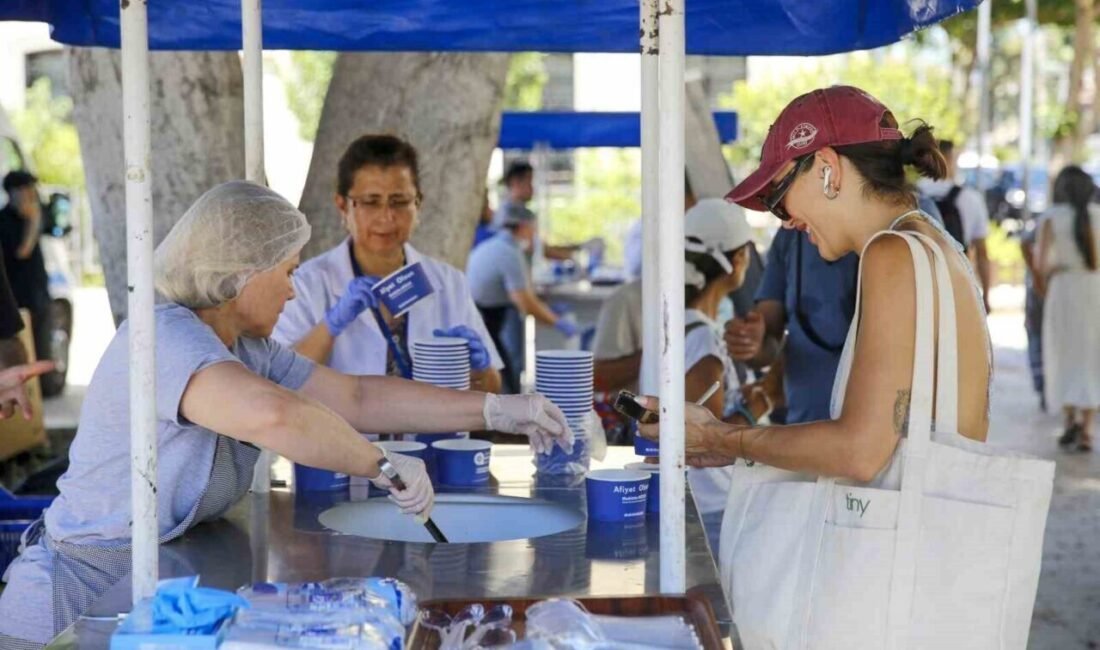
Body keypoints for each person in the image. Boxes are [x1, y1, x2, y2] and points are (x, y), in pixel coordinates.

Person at [0, 181, 572, 647]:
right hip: (69, 602)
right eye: (287, 272)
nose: (293, 292)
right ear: (240, 272)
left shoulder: (247, 347)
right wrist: (380, 463)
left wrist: (496, 407)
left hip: (143, 589)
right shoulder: (165, 337)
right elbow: (273, 416)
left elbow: (356, 397)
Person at [638, 87, 992, 637]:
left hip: (896, 589)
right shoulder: (936, 245)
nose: (787, 222)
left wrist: (721, 438)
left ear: (827, 167)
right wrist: (733, 441)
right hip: (934, 569)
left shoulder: (893, 253)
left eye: (781, 197)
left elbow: (859, 451)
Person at [274, 135, 503, 396]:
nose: (386, 217)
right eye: (370, 202)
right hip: (338, 423)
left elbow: (492, 387)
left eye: (399, 201)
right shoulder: (306, 284)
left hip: (430, 422)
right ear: (343, 206)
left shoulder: (449, 283)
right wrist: (331, 326)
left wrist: (480, 369)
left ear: (418, 204)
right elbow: (279, 381)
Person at [637, 198, 771, 551]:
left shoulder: (671, 324)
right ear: (739, 259)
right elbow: (701, 437)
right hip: (710, 503)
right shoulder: (702, 340)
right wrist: (761, 402)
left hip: (690, 498)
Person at [467, 204, 577, 393]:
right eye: (533, 229)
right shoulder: (509, 253)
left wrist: (546, 310)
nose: (534, 235)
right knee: (503, 379)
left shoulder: (495, 245)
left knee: (504, 372)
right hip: (483, 318)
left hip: (486, 315)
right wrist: (557, 322)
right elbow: (525, 303)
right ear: (523, 226)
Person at [1036, 166, 1100, 452]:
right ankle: (1087, 429)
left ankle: (1069, 419)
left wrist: (1053, 273)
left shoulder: (1051, 218)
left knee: (1063, 353)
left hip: (1063, 289)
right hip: (1094, 290)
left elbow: (1040, 265)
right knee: (1092, 355)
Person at [918, 139, 993, 312]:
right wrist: (985, 297)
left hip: (919, 282)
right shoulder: (970, 198)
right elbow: (981, 253)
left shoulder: (911, 195)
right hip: (957, 283)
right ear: (950, 159)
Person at [0, 171, 53, 369]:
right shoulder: (5, 220)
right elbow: (22, 251)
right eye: (25, 189)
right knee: (24, 355)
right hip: (17, 300)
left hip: (39, 295)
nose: (30, 194)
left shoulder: (38, 213)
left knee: (43, 350)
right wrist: (32, 222)